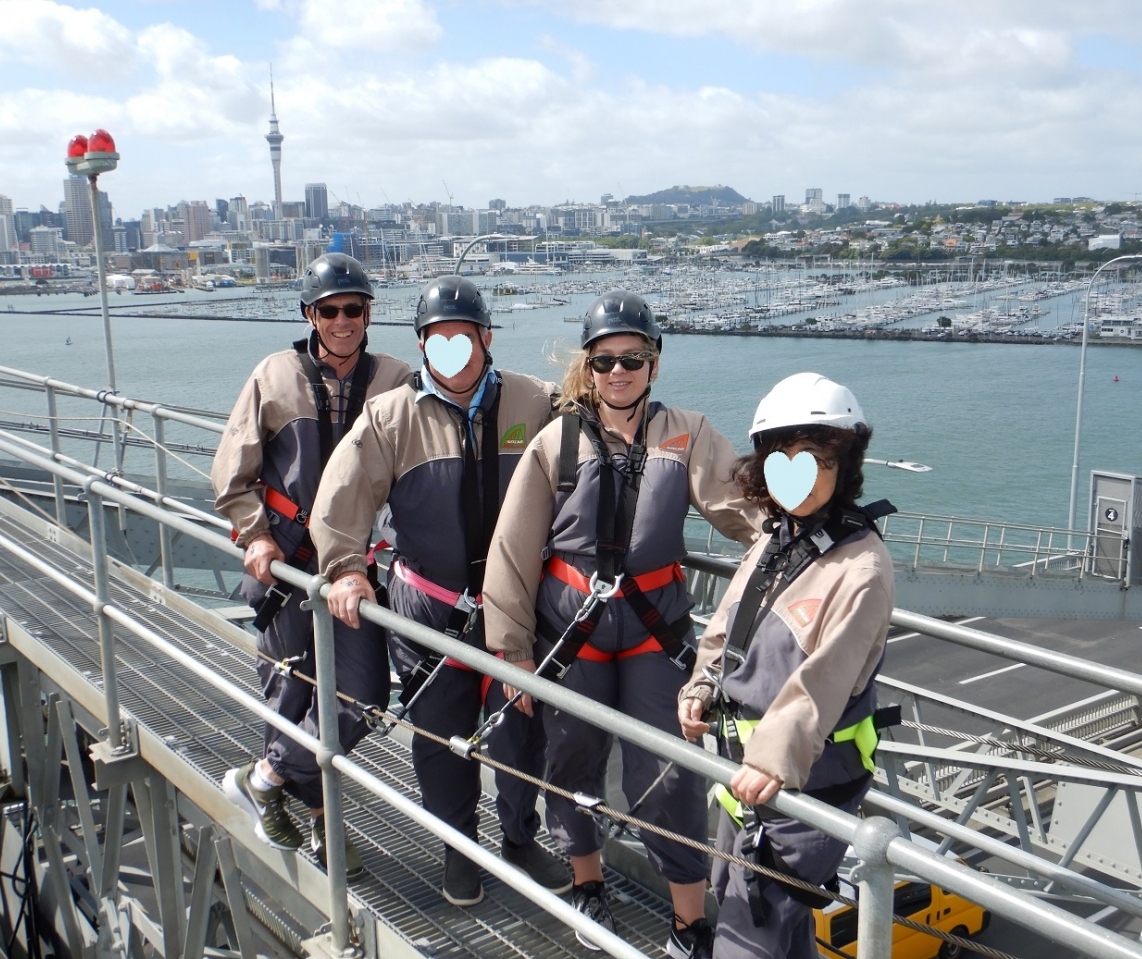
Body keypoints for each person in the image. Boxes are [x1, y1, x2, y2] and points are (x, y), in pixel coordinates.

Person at [481, 290, 761, 958]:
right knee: (571, 757)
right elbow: (513, 548)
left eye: (632, 359)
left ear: (653, 364)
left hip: (652, 633)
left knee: (671, 770)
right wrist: (511, 652)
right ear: (588, 366)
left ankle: (689, 920)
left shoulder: (685, 434)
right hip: (569, 632)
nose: (618, 371)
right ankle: (587, 881)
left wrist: (800, 538)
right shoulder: (557, 441)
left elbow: (744, 510)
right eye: (604, 360)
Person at [310, 274, 571, 906]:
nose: (451, 351)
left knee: (521, 729)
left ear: (486, 339)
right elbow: (342, 496)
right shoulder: (391, 416)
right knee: (438, 731)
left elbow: (593, 447)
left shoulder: (534, 403)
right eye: (436, 339)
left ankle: (519, 837)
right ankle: (458, 847)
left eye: (463, 338)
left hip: (514, 604)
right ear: (422, 344)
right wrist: (346, 567)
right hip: (429, 607)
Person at [677, 372, 896, 959]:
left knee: (751, 929)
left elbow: (826, 678)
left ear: (844, 466)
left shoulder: (861, 567)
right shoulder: (778, 540)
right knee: (771, 921)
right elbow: (727, 625)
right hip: (745, 776)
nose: (795, 473)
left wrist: (772, 759)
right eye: (781, 457)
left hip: (802, 783)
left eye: (814, 458)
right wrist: (701, 686)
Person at [213, 253, 411, 876]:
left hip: (353, 567)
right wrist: (255, 534)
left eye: (354, 309)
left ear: (369, 313)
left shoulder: (396, 379)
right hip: (287, 564)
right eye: (330, 311)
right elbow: (233, 470)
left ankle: (264, 778)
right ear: (309, 314)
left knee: (363, 695)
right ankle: (327, 826)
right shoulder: (274, 375)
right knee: (290, 692)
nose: (342, 321)